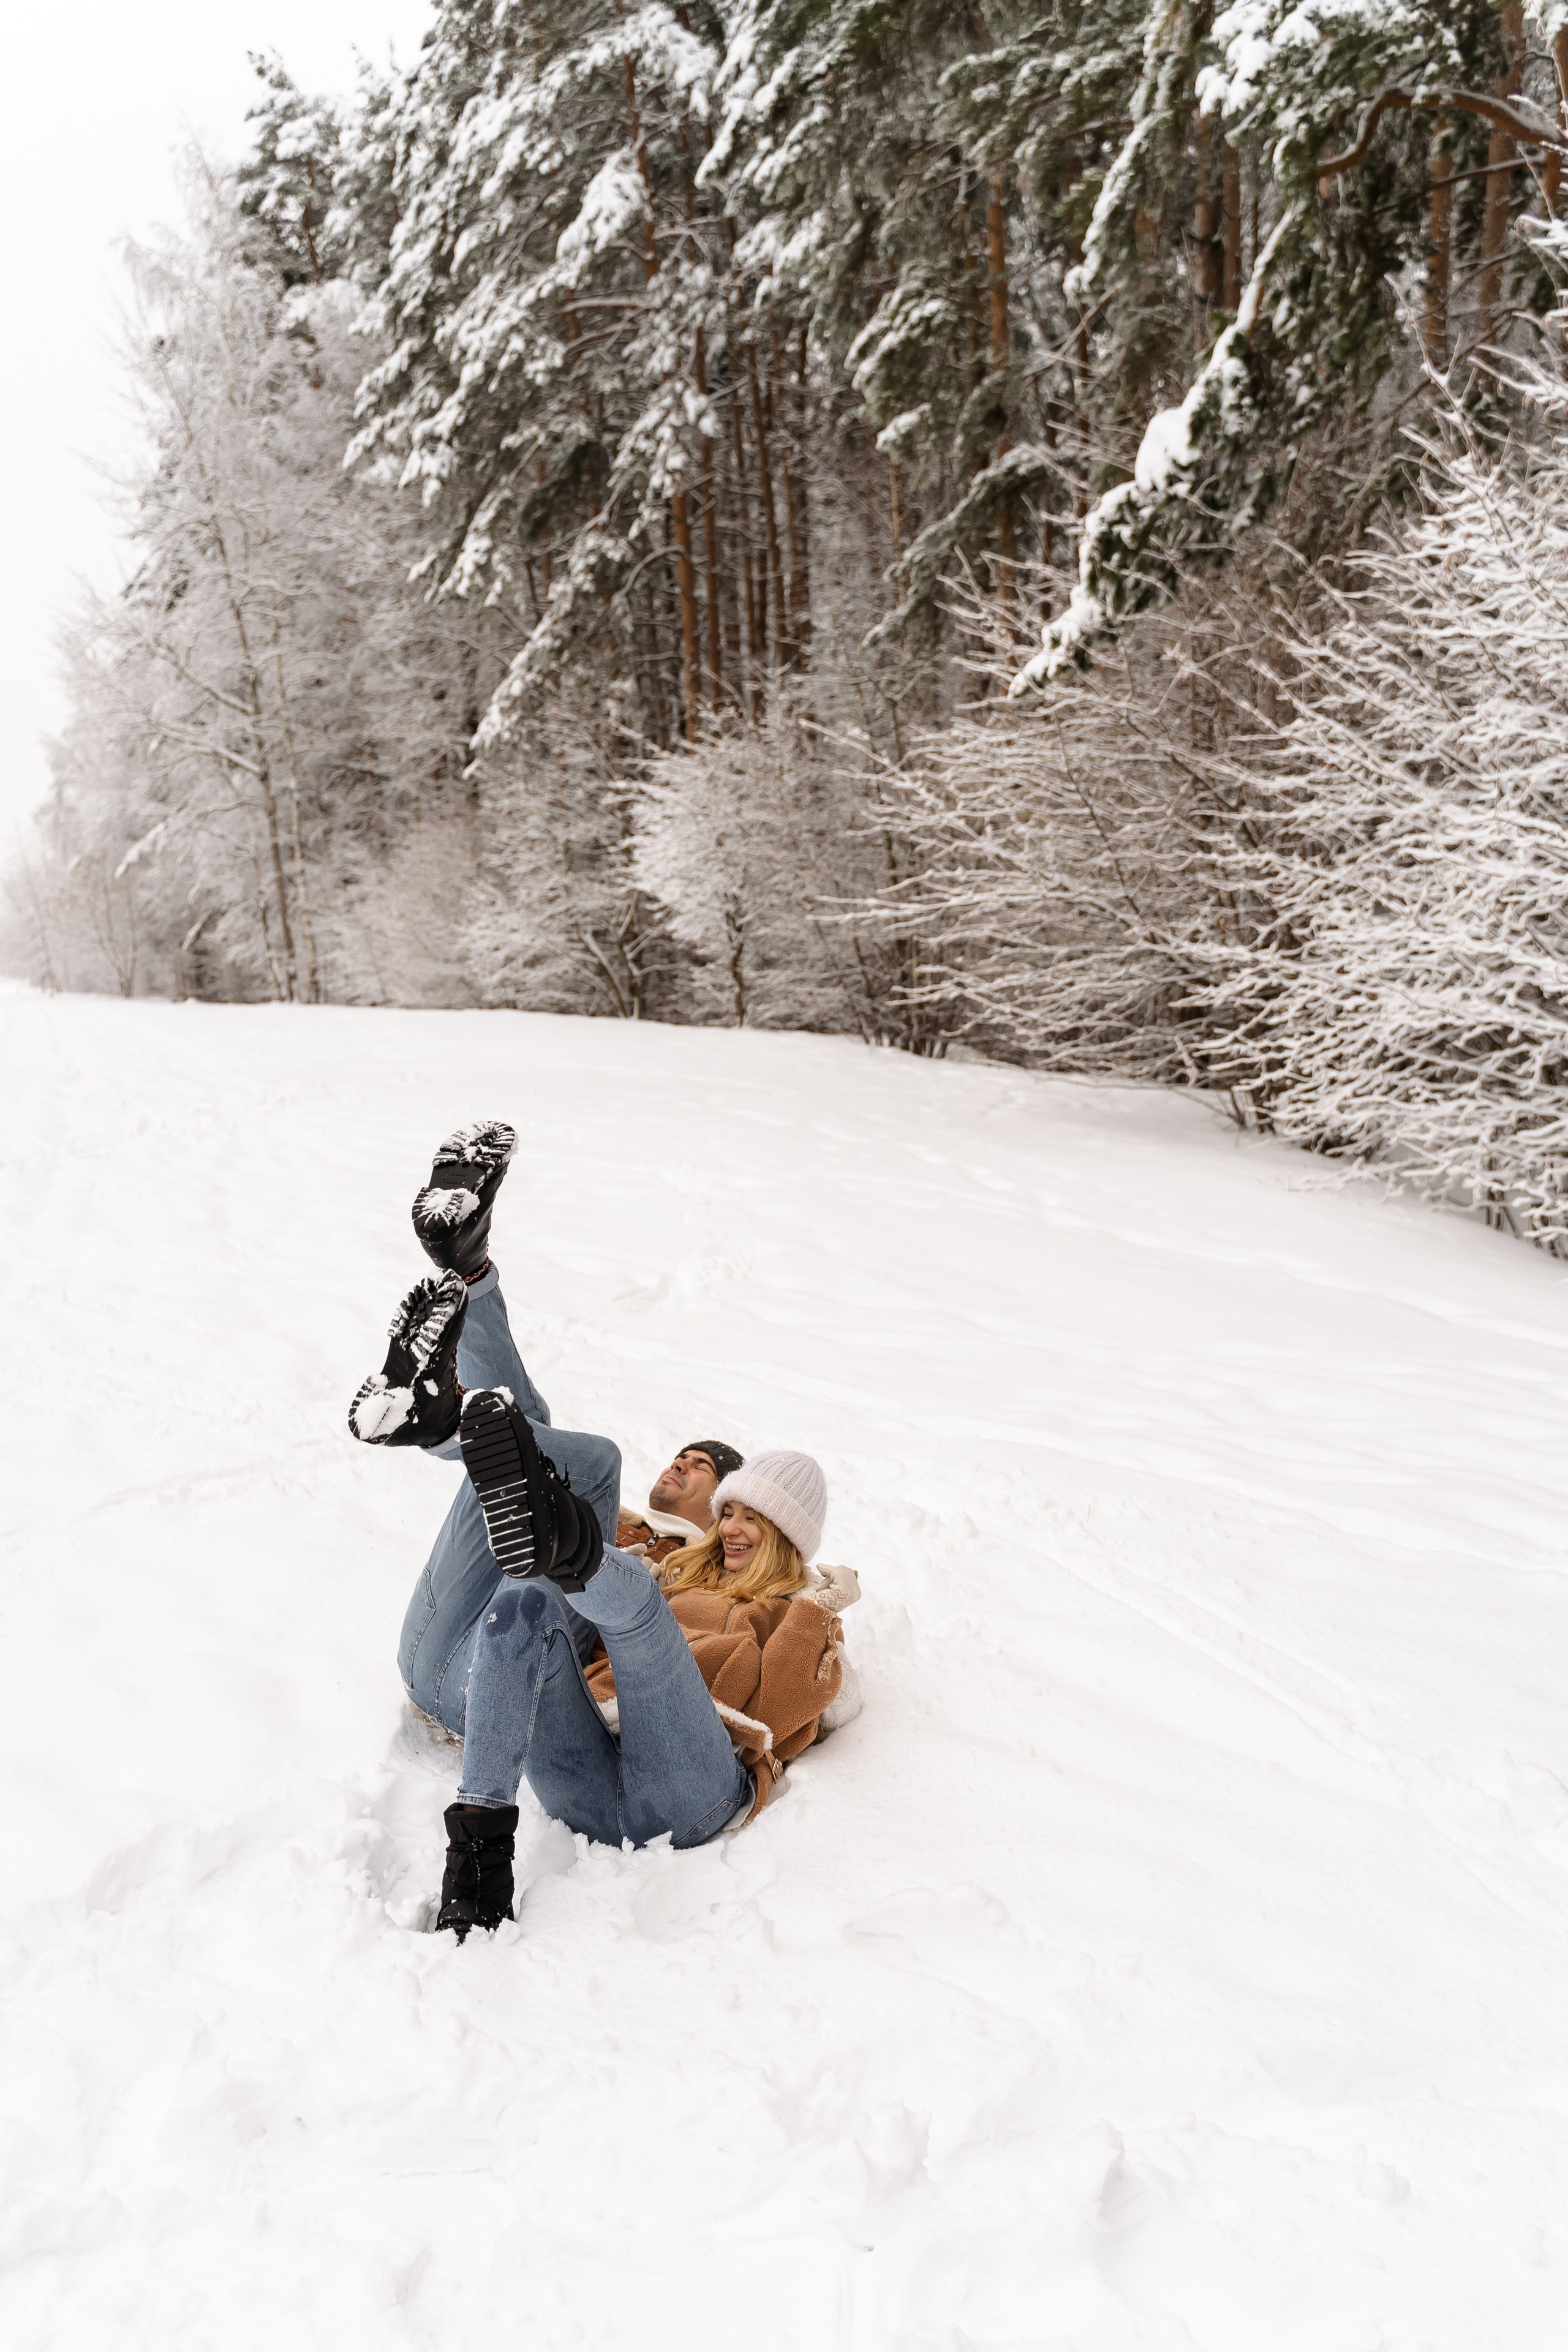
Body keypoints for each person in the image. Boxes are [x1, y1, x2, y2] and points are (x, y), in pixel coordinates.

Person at [349, 1121, 856, 1942]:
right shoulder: (640, 1544)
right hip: (548, 1728)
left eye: (749, 1516)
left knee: (582, 1542)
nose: (728, 1523)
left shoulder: (803, 1610)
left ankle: (443, 1413)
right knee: (554, 1479)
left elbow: (800, 1701)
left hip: (689, 1786)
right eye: (726, 1507)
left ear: (790, 1545)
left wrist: (804, 1620)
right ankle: (454, 1327)